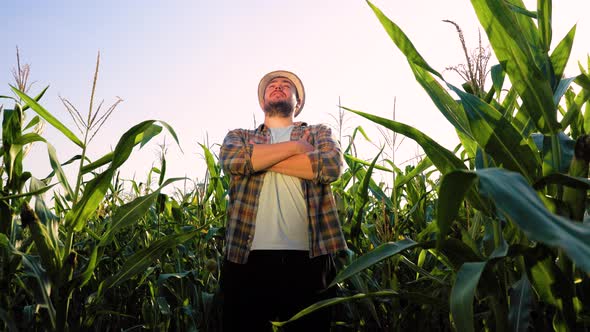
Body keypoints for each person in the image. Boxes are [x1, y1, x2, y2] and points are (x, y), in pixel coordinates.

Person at [219, 70, 348, 331]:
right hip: (246, 257)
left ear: (297, 102)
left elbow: (332, 165)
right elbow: (234, 160)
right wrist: (296, 148)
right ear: (262, 102)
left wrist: (258, 161)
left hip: (310, 257)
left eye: (285, 85)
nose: (277, 87)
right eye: (272, 86)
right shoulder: (240, 136)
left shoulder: (317, 132)